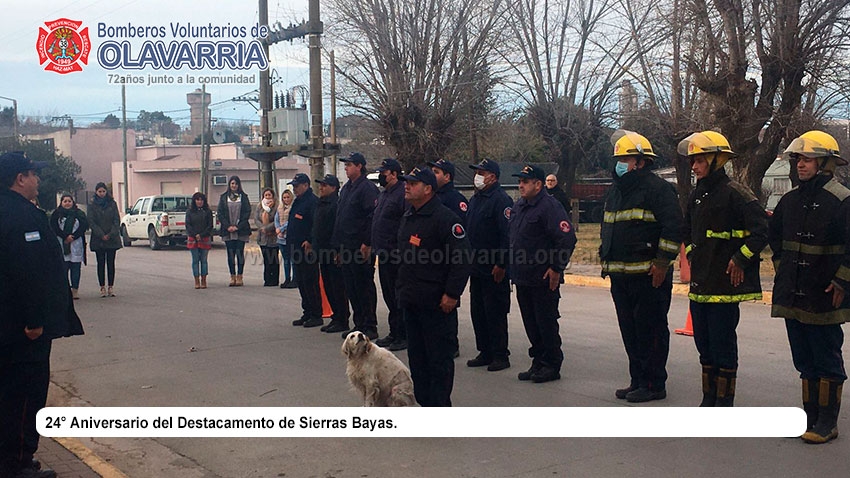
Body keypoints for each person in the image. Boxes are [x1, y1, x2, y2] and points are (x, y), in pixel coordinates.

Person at [1, 151, 84, 478]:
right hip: (23, 331)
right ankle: (17, 462)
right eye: (33, 174)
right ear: (20, 179)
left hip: (9, 326)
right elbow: (27, 273)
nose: (38, 179)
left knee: (9, 394)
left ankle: (14, 456)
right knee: (24, 394)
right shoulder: (21, 217)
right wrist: (34, 321)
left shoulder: (16, 211)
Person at [769, 130, 850, 443]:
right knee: (804, 358)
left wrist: (843, 279)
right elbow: (775, 239)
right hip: (793, 293)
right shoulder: (790, 201)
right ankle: (810, 417)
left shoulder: (842, 201)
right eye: (798, 158)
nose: (800, 164)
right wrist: (782, 269)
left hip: (826, 293)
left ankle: (827, 422)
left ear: (826, 163)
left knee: (826, 357)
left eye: (807, 158)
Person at [679, 130, 768, 407]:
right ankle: (709, 400)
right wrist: (693, 253)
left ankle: (724, 403)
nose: (694, 166)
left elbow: (761, 230)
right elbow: (688, 230)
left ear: (717, 160)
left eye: (699, 161)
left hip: (725, 286)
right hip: (700, 284)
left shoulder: (736, 193)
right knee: (704, 347)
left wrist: (741, 259)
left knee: (723, 346)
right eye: (692, 161)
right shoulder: (696, 194)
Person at [600, 130, 683, 403]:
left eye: (626, 158)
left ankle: (654, 383)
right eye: (618, 159)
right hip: (620, 276)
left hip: (649, 276)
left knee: (651, 331)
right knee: (631, 331)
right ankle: (637, 380)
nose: (620, 164)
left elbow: (673, 228)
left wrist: (662, 263)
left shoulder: (659, 190)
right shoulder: (616, 191)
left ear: (641, 161)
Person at [397, 166, 471, 406]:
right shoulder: (409, 215)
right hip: (412, 300)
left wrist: (452, 293)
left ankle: (439, 407)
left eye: (413, 183)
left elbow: (461, 259)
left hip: (436, 303)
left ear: (428, 189)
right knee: (417, 358)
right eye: (406, 182)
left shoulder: (445, 219)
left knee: (438, 359)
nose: (407, 186)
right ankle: (425, 403)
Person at [509, 164, 577, 383]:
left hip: (543, 277)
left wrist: (557, 267)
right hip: (523, 276)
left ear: (538, 184)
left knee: (545, 323)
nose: (521, 185)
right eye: (520, 181)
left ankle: (551, 364)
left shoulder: (550, 206)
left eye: (525, 181)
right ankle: (537, 361)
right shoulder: (520, 206)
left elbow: (566, 238)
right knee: (531, 323)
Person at [465, 158, 513, 372]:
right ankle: (484, 351)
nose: (478, 176)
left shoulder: (501, 200)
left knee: (495, 312)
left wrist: (501, 264)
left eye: (481, 173)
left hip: (494, 268)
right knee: (479, 312)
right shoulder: (476, 200)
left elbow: (507, 235)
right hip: (476, 267)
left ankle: (500, 355)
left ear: (493, 176)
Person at [333, 152, 380, 339]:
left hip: (360, 247)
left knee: (363, 286)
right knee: (351, 287)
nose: (346, 168)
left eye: (349, 164)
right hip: (346, 246)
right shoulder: (346, 189)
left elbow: (372, 217)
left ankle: (369, 324)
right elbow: (340, 219)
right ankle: (359, 323)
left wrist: (367, 242)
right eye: (345, 165)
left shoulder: (367, 188)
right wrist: (337, 247)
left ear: (360, 166)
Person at [427, 158, 468, 356]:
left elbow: (461, 236)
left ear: (447, 176)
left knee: (447, 308)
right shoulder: (431, 198)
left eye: (437, 172)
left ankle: (451, 346)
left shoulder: (455, 200)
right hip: (430, 263)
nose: (433, 175)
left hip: (447, 262)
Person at [372, 158, 408, 351]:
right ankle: (394, 332)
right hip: (383, 253)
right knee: (389, 295)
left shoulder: (402, 193)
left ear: (394, 174)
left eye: (384, 173)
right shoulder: (385, 194)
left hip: (396, 254)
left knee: (398, 296)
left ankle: (403, 335)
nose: (381, 176)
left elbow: (405, 224)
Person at [313, 174, 350, 333]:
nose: (321, 188)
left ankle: (342, 319)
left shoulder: (336, 204)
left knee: (337, 287)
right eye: (320, 185)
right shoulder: (321, 203)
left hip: (332, 251)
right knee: (328, 286)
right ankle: (336, 316)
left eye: (324, 185)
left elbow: (337, 228)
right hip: (322, 251)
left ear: (334, 188)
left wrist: (337, 250)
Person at [287, 173, 323, 328]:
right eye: (293, 186)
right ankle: (307, 312)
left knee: (310, 282)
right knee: (301, 281)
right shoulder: (298, 201)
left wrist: (310, 241)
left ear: (306, 185)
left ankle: (316, 314)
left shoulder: (312, 202)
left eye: (297, 186)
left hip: (307, 250)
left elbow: (316, 225)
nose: (294, 189)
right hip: (296, 249)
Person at [50, 194, 88, 300]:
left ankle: (75, 290)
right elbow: (54, 227)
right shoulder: (56, 214)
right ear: (61, 203)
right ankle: (64, 290)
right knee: (63, 269)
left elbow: (83, 226)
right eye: (65, 201)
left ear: (73, 202)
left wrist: (73, 237)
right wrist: (65, 237)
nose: (67, 203)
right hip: (62, 244)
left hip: (76, 244)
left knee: (76, 268)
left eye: (69, 201)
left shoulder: (79, 214)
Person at [87, 182, 122, 298]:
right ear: (96, 192)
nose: (102, 193)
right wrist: (101, 234)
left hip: (112, 239)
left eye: (103, 191)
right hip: (99, 239)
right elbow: (91, 222)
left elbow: (117, 221)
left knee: (111, 263)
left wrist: (110, 234)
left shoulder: (112, 204)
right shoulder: (92, 205)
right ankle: (102, 287)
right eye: (99, 191)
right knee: (100, 263)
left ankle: (111, 287)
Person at [217, 175, 251, 287]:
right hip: (228, 230)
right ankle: (232, 276)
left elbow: (247, 212)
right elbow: (220, 213)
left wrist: (238, 226)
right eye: (232, 183)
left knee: (239, 253)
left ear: (238, 185)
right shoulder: (223, 197)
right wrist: (228, 226)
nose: (234, 185)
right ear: (229, 185)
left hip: (240, 230)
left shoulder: (244, 197)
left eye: (236, 183)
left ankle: (240, 276)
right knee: (230, 254)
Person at [185, 192, 213, 289]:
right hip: (193, 239)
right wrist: (195, 235)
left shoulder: (208, 211)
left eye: (201, 200)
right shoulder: (189, 212)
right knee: (195, 260)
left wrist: (201, 235)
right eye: (197, 200)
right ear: (194, 201)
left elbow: (210, 226)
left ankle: (204, 280)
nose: (199, 202)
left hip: (204, 238)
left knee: (204, 260)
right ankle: (196, 280)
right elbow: (188, 225)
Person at [255, 188, 280, 287]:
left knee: (274, 259)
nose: (268, 197)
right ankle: (267, 279)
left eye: (269, 195)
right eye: (266, 195)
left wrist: (268, 228)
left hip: (273, 237)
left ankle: (274, 280)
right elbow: (256, 219)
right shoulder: (260, 206)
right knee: (266, 260)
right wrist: (262, 228)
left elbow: (277, 220)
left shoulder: (277, 207)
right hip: (263, 238)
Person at [275, 190, 296, 289]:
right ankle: (287, 278)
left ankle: (294, 279)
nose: (286, 199)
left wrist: (282, 229)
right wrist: (278, 229)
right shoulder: (279, 208)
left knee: (293, 260)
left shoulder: (293, 208)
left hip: (290, 236)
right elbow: (276, 220)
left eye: (288, 197)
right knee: (286, 260)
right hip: (281, 238)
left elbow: (291, 221)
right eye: (284, 197)